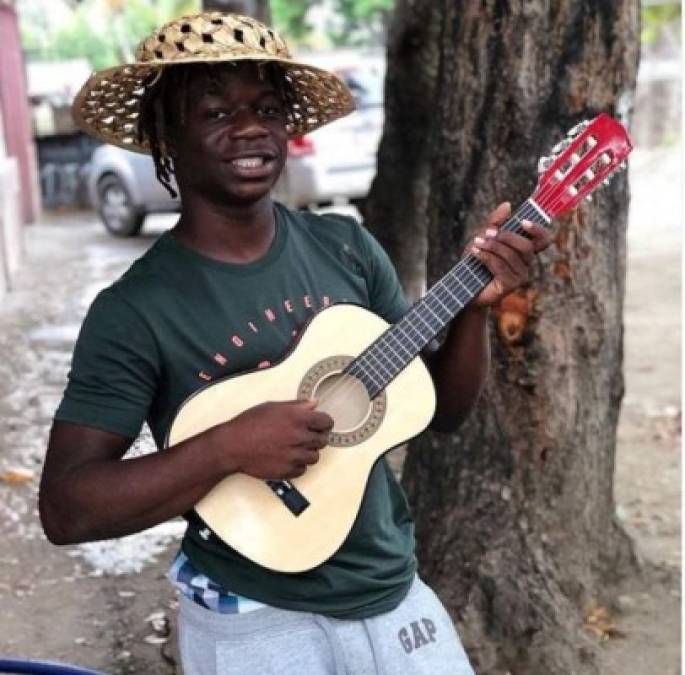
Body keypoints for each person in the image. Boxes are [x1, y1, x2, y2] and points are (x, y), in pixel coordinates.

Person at [39, 12, 552, 675]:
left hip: (388, 585)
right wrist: (224, 447)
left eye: (267, 108)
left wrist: (473, 312)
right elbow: (67, 506)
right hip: (248, 608)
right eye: (216, 111)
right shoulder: (134, 310)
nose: (249, 127)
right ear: (167, 133)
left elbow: (440, 411)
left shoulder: (346, 249)